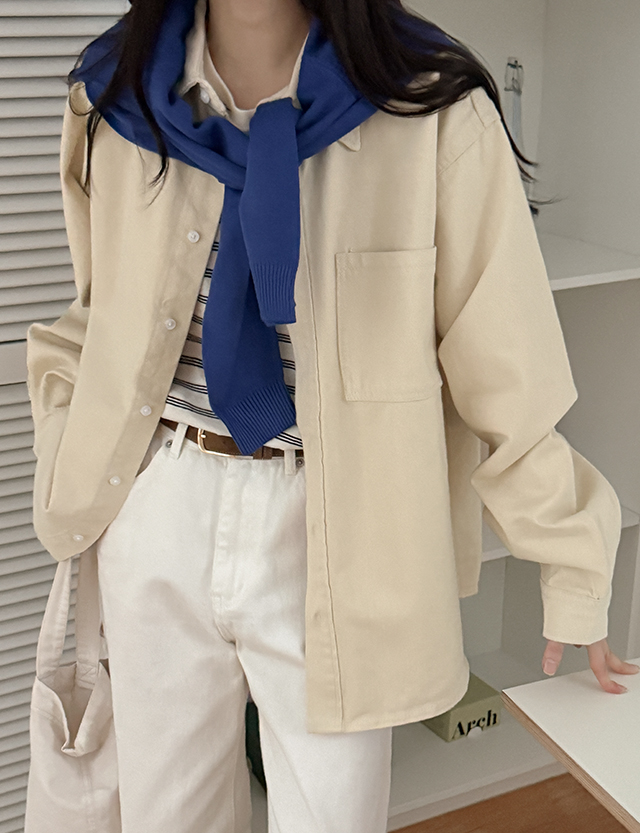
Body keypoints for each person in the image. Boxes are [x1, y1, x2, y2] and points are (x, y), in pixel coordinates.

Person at [25, 0, 639, 830]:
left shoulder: (430, 105)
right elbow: (95, 314)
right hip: (159, 501)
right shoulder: (115, 93)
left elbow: (506, 368)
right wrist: (70, 449)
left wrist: (574, 563)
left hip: (344, 526)